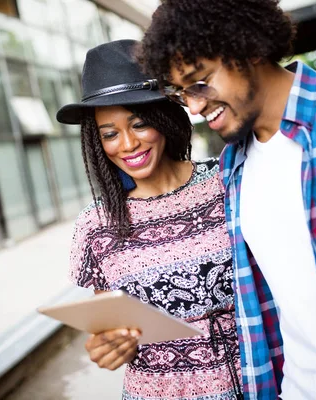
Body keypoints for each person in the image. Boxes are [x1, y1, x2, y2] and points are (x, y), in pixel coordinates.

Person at [137, 1, 316, 399]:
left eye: (200, 82)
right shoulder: (234, 164)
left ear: (246, 45)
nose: (195, 107)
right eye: (183, 94)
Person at [56, 39, 243, 400]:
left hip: (251, 381)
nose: (126, 144)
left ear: (165, 118)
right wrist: (111, 345)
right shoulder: (97, 225)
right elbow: (113, 325)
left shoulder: (227, 180)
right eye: (109, 134)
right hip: (155, 392)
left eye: (139, 124)